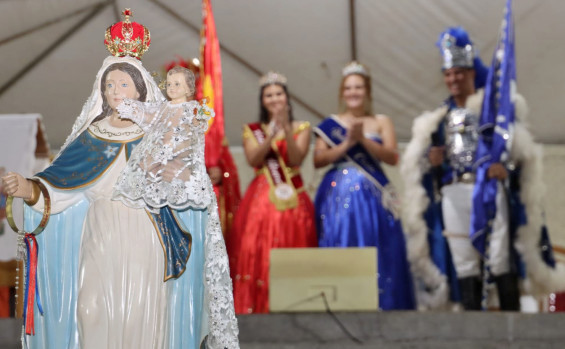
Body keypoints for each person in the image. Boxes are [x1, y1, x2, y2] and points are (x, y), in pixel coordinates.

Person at [2, 10, 238, 348]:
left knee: (139, 315)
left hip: (145, 231)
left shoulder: (158, 134)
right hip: (101, 230)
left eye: (123, 83)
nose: (115, 90)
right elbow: (59, 187)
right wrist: (26, 188)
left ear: (140, 90)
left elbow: (185, 184)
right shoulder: (91, 137)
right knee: (90, 309)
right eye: (109, 84)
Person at [400, 26, 556, 311]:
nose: (453, 78)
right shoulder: (439, 119)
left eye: (459, 72)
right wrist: (433, 162)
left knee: (499, 254)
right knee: (463, 259)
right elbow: (430, 167)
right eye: (448, 74)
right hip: (453, 192)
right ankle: (472, 328)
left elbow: (518, 152)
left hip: (487, 188)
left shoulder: (493, 110)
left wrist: (504, 167)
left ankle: (512, 326)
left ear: (471, 72)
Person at [313, 62, 415, 310]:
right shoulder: (331, 123)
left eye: (358, 87)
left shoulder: (381, 121)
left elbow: (392, 156)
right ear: (342, 93)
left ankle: (384, 302)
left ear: (367, 91)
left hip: (374, 199)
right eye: (348, 88)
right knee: (341, 241)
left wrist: (364, 142)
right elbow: (318, 160)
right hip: (337, 197)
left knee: (377, 246)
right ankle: (340, 301)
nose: (353, 92)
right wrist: (348, 143)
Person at [228, 71, 317, 314]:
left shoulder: (302, 127)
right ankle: (255, 307)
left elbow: (296, 158)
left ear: (287, 98)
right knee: (257, 249)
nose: (274, 98)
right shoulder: (253, 129)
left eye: (279, 93)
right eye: (269, 95)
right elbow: (253, 158)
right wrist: (270, 135)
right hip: (260, 201)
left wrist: (286, 128)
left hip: (293, 198)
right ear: (262, 100)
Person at [113, 66, 215, 213]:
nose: (171, 88)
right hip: (158, 162)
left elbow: (189, 139)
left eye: (177, 84)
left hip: (176, 164)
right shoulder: (163, 107)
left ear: (188, 88)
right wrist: (131, 108)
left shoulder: (191, 109)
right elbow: (149, 116)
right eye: (169, 84)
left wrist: (166, 151)